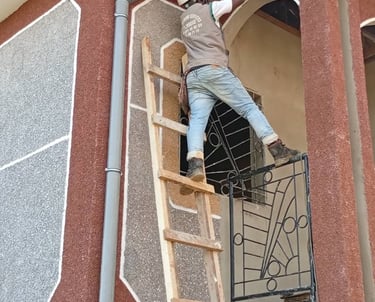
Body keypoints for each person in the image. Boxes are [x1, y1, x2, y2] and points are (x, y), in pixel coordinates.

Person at [178, 0, 300, 194]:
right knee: (249, 108)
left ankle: (195, 165)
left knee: (197, 121)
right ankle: (278, 150)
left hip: (194, 76)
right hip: (214, 69)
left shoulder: (183, 19)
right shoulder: (210, 9)